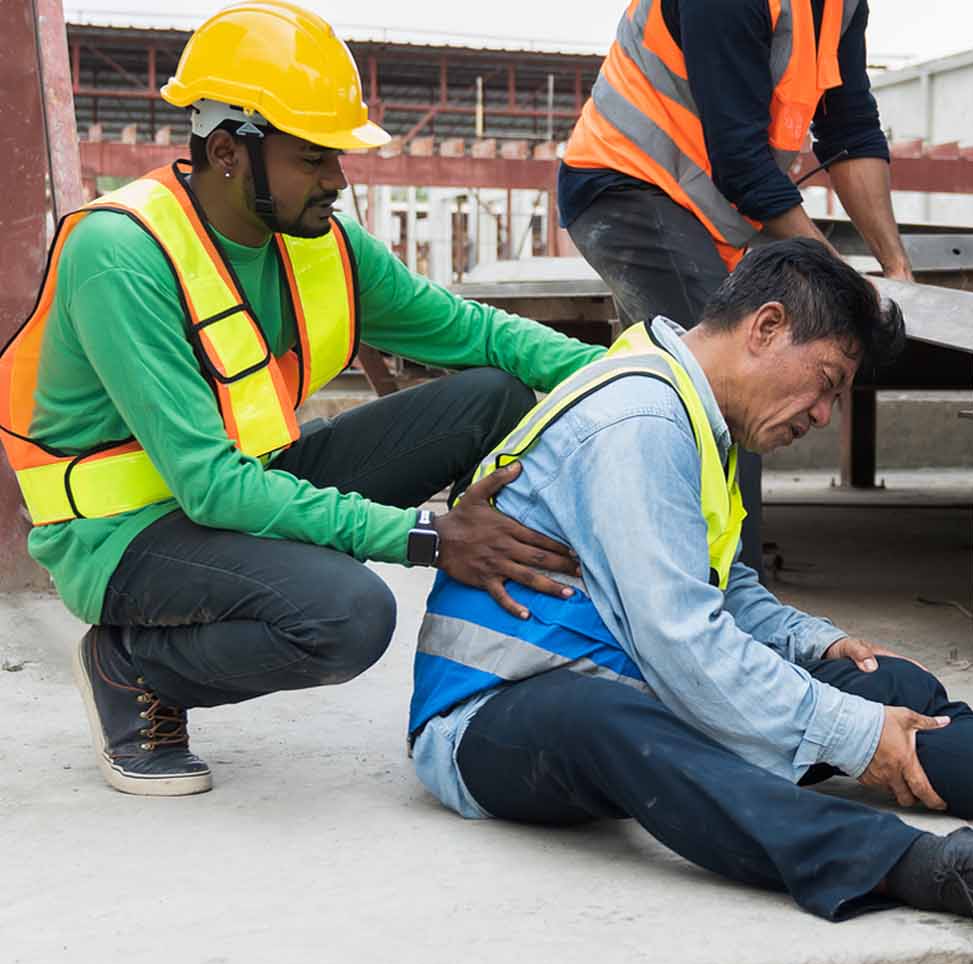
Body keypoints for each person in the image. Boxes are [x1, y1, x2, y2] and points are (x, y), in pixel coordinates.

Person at [406, 240, 973, 938]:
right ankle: (930, 870)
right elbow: (682, 644)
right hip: (498, 715)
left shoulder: (700, 425)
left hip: (624, 673)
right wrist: (847, 735)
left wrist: (820, 648)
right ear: (767, 327)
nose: (821, 414)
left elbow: (723, 597)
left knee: (889, 689)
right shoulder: (641, 417)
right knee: (621, 725)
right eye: (825, 383)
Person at [0, 1, 605, 799]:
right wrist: (427, 536)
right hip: (126, 538)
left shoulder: (319, 243)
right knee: (348, 617)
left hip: (244, 485)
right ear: (226, 152)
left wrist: (634, 370)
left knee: (489, 398)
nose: (339, 179)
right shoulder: (122, 256)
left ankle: (506, 631)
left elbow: (482, 335)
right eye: (315, 157)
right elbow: (208, 483)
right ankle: (130, 666)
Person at [558, 0, 915, 571]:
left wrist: (896, 270)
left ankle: (660, 570)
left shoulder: (843, 6)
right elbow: (742, 163)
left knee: (675, 394)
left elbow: (849, 130)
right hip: (627, 183)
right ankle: (723, 602)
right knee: (729, 383)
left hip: (702, 209)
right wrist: (844, 287)